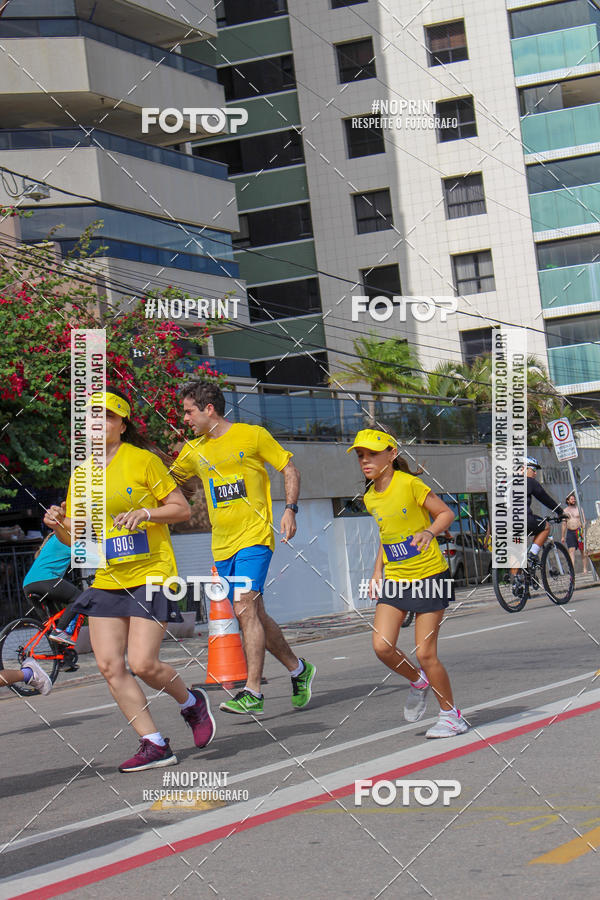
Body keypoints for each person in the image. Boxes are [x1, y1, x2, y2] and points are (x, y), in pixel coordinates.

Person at [43, 387, 215, 773]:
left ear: (122, 424)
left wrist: (146, 514)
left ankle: (191, 703)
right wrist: (58, 525)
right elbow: (76, 538)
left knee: (143, 663)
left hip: (152, 572)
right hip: (108, 576)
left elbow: (181, 508)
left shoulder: (143, 462)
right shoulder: (83, 474)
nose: (98, 424)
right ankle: (154, 743)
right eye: (92, 419)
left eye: (106, 417)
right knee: (108, 665)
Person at [171, 381, 316, 716]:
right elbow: (169, 480)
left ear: (209, 409)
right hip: (221, 545)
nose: (185, 418)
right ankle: (298, 669)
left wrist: (290, 510)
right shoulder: (194, 451)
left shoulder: (252, 435)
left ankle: (252, 691)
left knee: (244, 608)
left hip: (255, 538)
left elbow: (288, 467)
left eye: (189, 411)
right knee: (256, 614)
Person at [348, 428, 468, 739]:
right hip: (397, 579)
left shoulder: (409, 484)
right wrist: (378, 570)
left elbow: (445, 513)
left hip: (430, 577)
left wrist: (429, 533)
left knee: (425, 653)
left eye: (372, 454)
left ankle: (451, 716)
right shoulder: (370, 496)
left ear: (391, 455)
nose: (365, 460)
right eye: (361, 455)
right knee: (382, 646)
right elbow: (386, 536)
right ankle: (418, 681)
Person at [23, 533, 81, 645]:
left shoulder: (52, 541)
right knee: (79, 597)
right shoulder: (65, 538)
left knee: (51, 624)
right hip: (46, 580)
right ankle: (59, 631)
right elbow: (92, 555)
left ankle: (61, 658)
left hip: (28, 585)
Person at [525, 457, 566, 569]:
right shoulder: (529, 482)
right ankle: (533, 554)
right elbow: (544, 498)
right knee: (546, 526)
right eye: (533, 470)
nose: (535, 473)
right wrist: (560, 512)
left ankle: (517, 582)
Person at [562, 492, 589, 575]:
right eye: (571, 499)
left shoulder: (579, 509)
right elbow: (564, 524)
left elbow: (584, 520)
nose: (573, 500)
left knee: (583, 550)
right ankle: (572, 570)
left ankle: (585, 569)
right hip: (570, 531)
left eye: (574, 498)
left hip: (579, 530)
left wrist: (584, 531)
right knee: (571, 550)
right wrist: (562, 536)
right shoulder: (565, 511)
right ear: (568, 500)